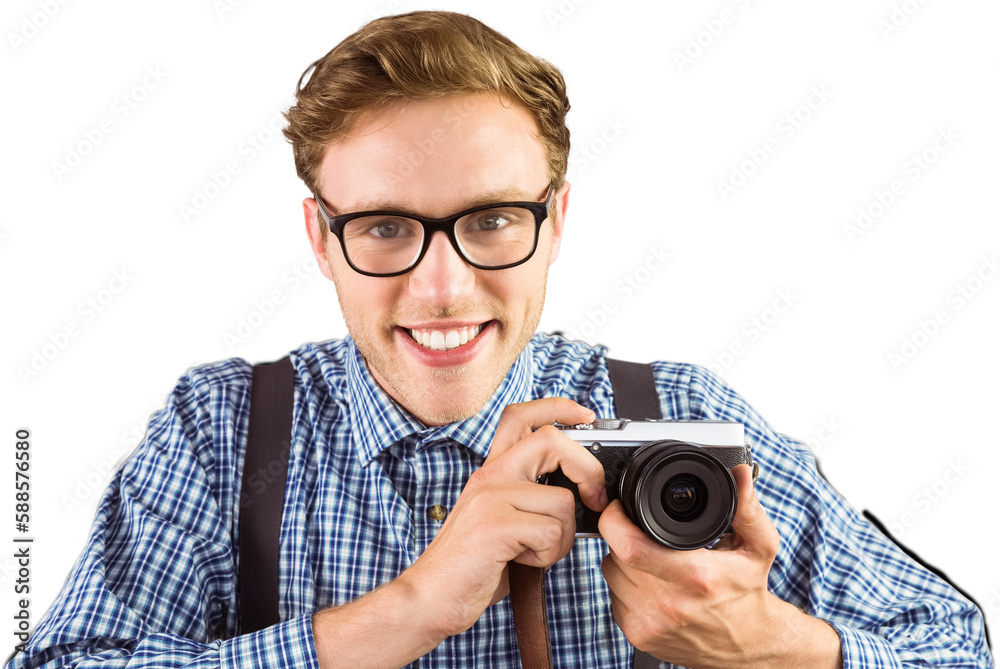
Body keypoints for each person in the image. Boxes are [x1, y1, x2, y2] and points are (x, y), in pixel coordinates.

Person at [7, 10, 992, 669]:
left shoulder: (679, 417)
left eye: (488, 222)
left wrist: (769, 642)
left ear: (554, 222)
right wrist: (410, 609)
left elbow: (956, 645)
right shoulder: (221, 434)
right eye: (386, 227)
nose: (442, 289)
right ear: (321, 238)